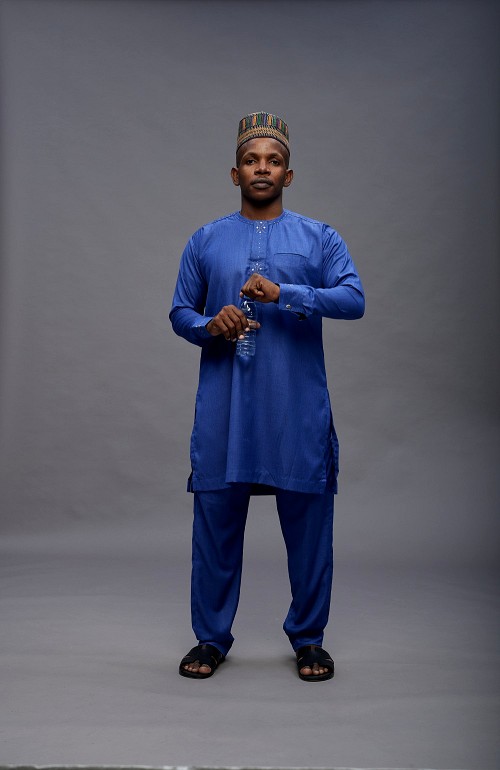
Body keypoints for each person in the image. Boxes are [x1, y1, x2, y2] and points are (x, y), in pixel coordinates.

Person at [170, 111, 364, 681]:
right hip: (225, 411)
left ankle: (309, 639)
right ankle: (210, 638)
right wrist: (211, 324)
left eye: (273, 161)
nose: (262, 168)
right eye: (251, 160)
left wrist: (288, 293)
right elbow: (179, 312)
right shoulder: (206, 239)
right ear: (235, 174)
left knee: (308, 525)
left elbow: (353, 299)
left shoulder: (319, 237)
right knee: (215, 523)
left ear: (288, 174)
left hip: (294, 408)